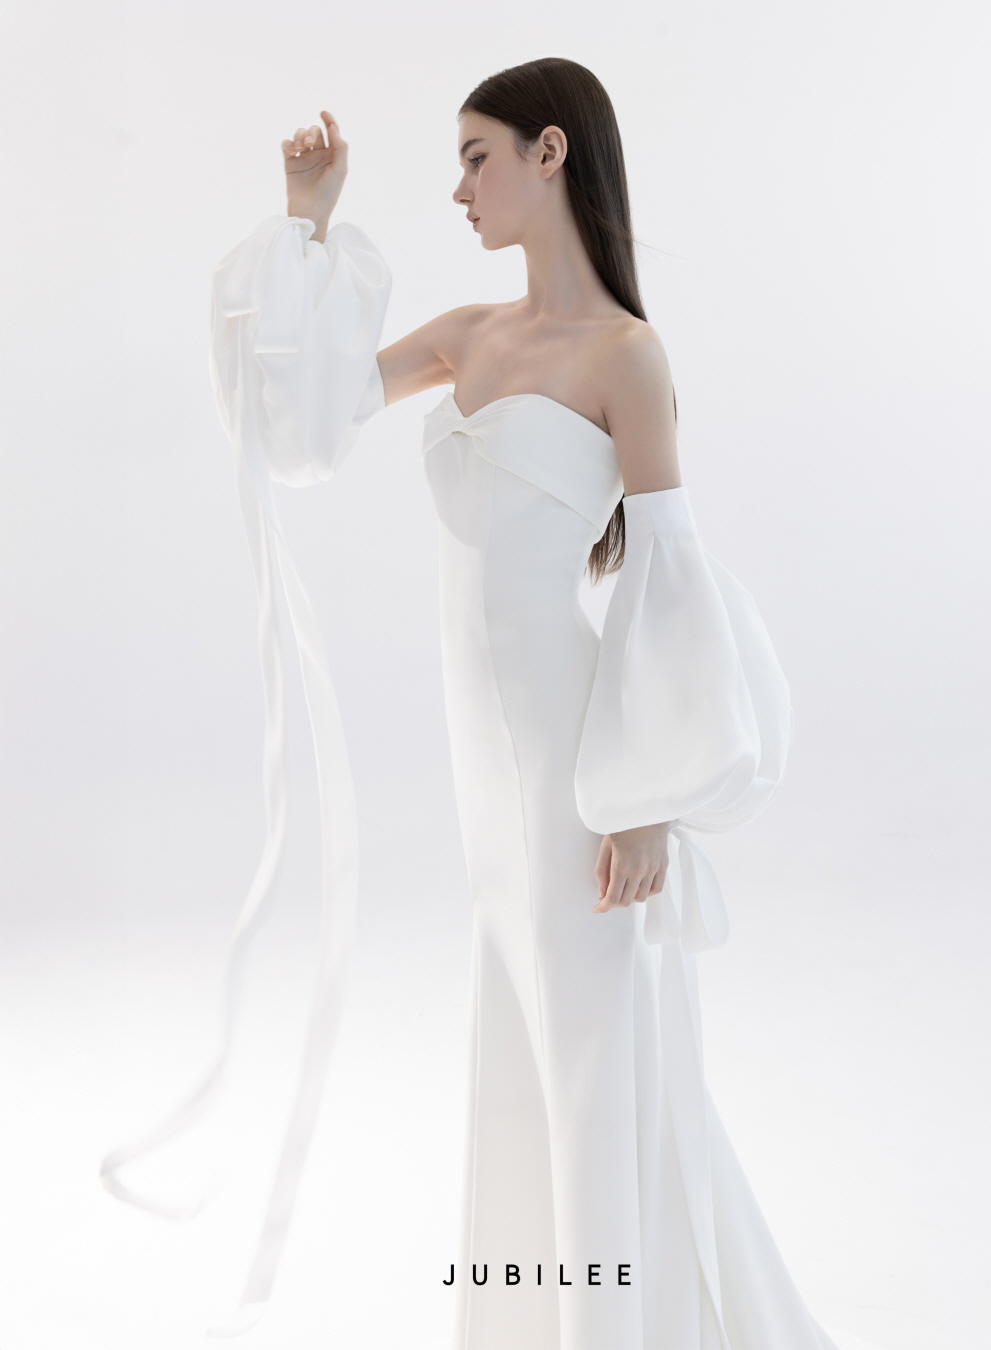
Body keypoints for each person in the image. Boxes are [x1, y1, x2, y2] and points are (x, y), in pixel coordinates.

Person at [108, 57, 840, 1350]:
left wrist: (649, 801)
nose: (457, 189)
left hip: (576, 764)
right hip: (482, 778)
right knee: (522, 1035)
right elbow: (303, 424)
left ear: (550, 153)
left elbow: (665, 578)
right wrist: (308, 227)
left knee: (592, 1043)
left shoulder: (627, 356)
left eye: (474, 157)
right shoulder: (465, 335)